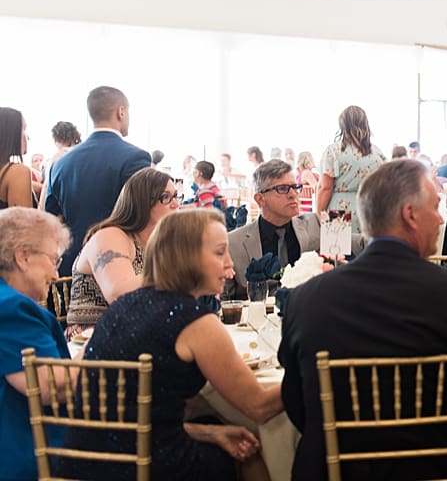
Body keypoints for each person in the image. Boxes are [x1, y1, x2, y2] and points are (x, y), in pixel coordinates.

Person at [278, 159, 447, 480]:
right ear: (410, 215)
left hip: (333, 471)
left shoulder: (304, 298)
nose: (441, 219)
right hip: (429, 469)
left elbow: (296, 403)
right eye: (436, 207)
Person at [62, 208, 281, 480]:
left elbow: (127, 416)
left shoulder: (123, 306)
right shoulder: (194, 321)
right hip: (145, 467)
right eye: (219, 252)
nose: (230, 264)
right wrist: (309, 368)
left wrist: (211, 433)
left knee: (221, 428)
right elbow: (259, 408)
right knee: (249, 449)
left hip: (85, 460)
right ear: (186, 258)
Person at [43, 86, 152, 273]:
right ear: (121, 112)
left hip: (72, 266)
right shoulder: (135, 157)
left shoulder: (60, 164)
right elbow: (144, 214)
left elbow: (51, 219)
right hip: (120, 264)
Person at [0, 207, 72, 481]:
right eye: (54, 260)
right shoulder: (11, 307)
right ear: (23, 256)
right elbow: (51, 386)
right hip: (30, 459)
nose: (56, 274)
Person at [66, 168, 180, 336]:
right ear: (142, 202)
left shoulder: (159, 242)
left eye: (176, 196)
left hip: (140, 332)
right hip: (92, 338)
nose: (176, 204)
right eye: (165, 197)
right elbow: (118, 293)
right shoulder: (109, 235)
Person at [229, 160, 339, 299]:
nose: (293, 194)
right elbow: (223, 300)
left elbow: (363, 242)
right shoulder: (232, 242)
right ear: (260, 199)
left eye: (295, 187)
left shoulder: (316, 221)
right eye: (282, 188)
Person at [317, 105, 387, 233]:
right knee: (368, 251)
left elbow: (325, 187)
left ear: (343, 125)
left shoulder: (333, 151)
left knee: (337, 251)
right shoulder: (377, 153)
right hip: (370, 210)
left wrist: (318, 215)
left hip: (338, 211)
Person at [0, 108, 34, 210]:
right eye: (23, 129)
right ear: (10, 134)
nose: (27, 137)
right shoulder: (18, 172)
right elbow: (24, 224)